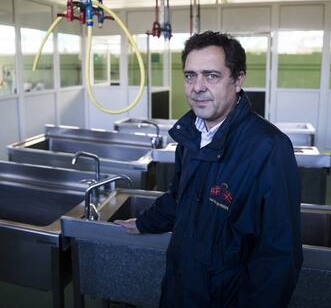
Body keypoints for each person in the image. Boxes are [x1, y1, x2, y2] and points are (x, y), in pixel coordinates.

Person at [115, 31, 303, 307]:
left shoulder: (268, 148)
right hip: (181, 289)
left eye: (211, 76)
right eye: (190, 75)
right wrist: (144, 222)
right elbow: (180, 196)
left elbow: (279, 256)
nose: (197, 87)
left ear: (237, 80)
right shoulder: (191, 135)